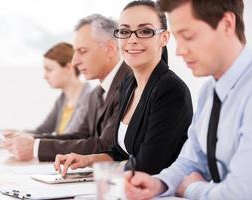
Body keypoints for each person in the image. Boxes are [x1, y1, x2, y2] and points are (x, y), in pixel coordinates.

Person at [125, 0, 252, 199]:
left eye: (189, 36)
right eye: (177, 38)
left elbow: (240, 193)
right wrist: (159, 183)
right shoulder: (210, 90)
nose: (179, 51)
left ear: (227, 24)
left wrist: (192, 189)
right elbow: (191, 160)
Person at [54, 0, 193, 176]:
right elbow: (119, 153)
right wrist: (87, 160)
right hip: (126, 186)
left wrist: (104, 169)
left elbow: (148, 166)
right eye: (125, 31)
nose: (132, 40)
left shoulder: (170, 90)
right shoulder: (128, 83)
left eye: (145, 31)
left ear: (164, 38)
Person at [2, 14, 131, 161]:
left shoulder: (130, 85)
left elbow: (107, 146)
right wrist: (32, 141)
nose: (75, 61)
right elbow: (81, 136)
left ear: (109, 49)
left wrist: (37, 148)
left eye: (82, 51)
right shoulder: (97, 93)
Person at [0, 42, 92, 157]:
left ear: (69, 68)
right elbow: (41, 131)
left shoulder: (90, 97)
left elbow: (69, 138)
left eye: (49, 69)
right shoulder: (62, 98)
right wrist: (13, 133)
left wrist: (26, 139)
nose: (45, 76)